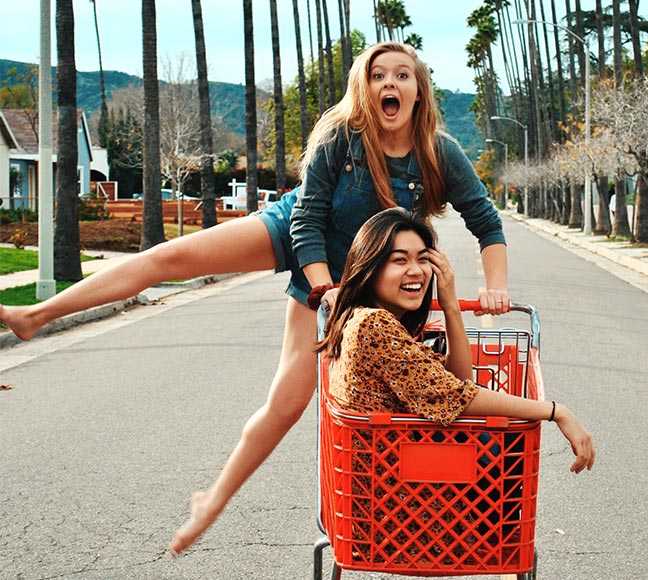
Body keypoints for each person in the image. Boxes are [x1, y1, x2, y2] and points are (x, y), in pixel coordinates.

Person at [0, 42, 510, 556]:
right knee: (168, 260)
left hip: (349, 276)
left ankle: (213, 500)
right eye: (378, 75)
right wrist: (323, 293)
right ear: (366, 86)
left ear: (419, 90)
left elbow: (486, 223)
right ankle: (35, 315)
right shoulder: (343, 138)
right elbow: (306, 220)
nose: (390, 85)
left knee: (287, 402)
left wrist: (496, 288)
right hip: (299, 237)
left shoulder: (438, 152)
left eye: (403, 75)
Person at [318, 208, 595, 474]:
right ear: (370, 267)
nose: (416, 271)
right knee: (502, 444)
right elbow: (456, 395)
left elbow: (460, 380)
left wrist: (450, 303)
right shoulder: (373, 325)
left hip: (392, 475)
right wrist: (555, 412)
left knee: (488, 437)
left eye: (423, 259)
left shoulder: (368, 320)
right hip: (394, 495)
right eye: (400, 260)